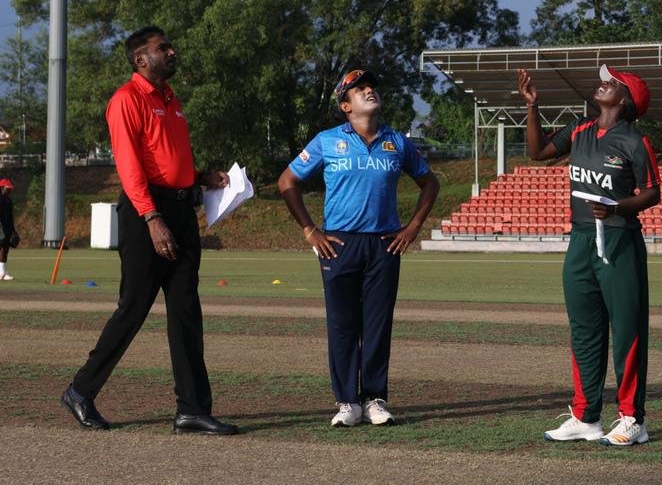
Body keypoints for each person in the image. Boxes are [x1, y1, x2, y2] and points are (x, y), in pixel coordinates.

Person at [61, 26, 238, 435]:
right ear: (141, 59)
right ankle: (80, 390)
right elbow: (130, 167)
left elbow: (168, 161)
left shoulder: (171, 100)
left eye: (171, 46)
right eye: (163, 48)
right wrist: (151, 218)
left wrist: (200, 178)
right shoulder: (126, 100)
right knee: (133, 308)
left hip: (179, 211)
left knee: (186, 313)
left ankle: (192, 409)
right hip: (147, 216)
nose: (172, 52)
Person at [278, 68, 439, 428]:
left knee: (378, 324)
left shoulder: (397, 141)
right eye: (359, 89)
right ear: (345, 105)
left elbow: (430, 182)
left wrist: (412, 227)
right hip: (338, 243)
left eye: (371, 86)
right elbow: (287, 181)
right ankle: (347, 401)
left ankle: (375, 399)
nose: (369, 90)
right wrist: (310, 230)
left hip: (384, 243)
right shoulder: (327, 140)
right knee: (342, 324)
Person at [518, 64, 661, 447]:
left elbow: (652, 193)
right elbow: (537, 151)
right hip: (580, 240)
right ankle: (585, 416)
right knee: (584, 330)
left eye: (611, 82)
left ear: (627, 99)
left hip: (619, 242)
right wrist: (532, 107)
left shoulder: (635, 141)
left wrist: (617, 207)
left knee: (627, 332)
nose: (602, 83)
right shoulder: (580, 128)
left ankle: (633, 419)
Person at [0, 178, 19, 280]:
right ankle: (1, 273)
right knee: (2, 248)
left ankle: (2, 272)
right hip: (1, 227)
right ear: (2, 188)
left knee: (5, 249)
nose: (10, 190)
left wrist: (13, 230)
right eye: (8, 188)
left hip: (7, 228)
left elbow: (10, 217)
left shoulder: (8, 200)